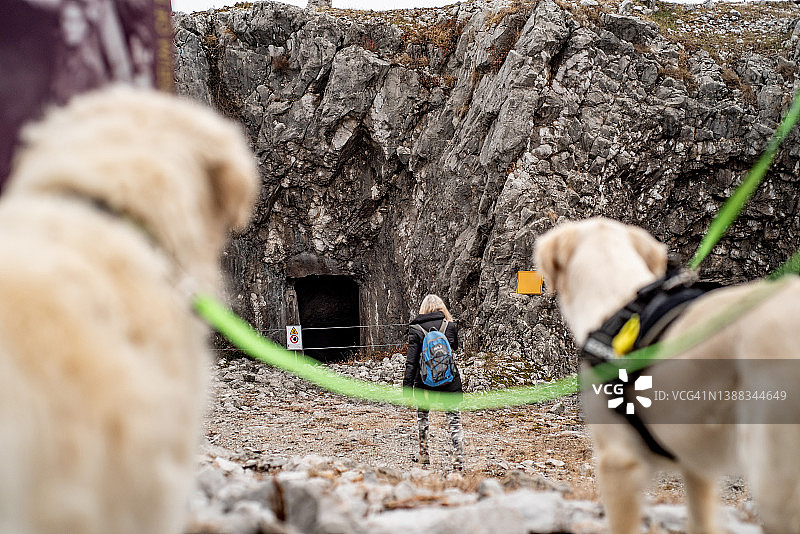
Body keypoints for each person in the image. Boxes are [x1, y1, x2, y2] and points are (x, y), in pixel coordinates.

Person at [403, 294, 465, 471]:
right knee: (454, 420)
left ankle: (424, 456)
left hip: (424, 382)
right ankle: (458, 461)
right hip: (449, 380)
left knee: (423, 418)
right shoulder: (449, 326)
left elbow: (412, 362)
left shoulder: (415, 328)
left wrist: (407, 388)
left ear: (423, 309)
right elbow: (454, 348)